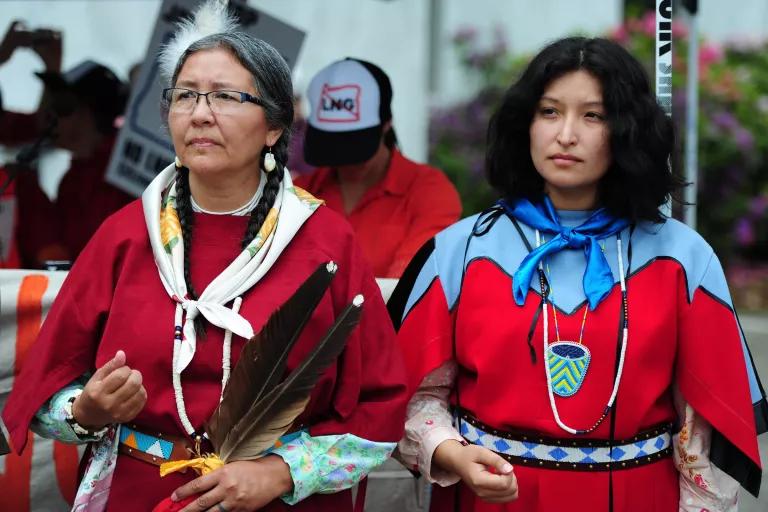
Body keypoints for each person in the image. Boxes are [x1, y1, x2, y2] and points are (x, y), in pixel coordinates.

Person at [2, 3, 407, 512]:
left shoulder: (322, 241)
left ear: (274, 128)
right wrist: (86, 409)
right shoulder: (127, 235)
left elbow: (379, 408)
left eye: (225, 97)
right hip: (137, 493)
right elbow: (45, 390)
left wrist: (280, 473)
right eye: (185, 95)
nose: (199, 113)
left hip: (271, 501)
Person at [389, 37, 767, 512]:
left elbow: (703, 435)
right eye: (549, 111)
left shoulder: (684, 258)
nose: (566, 134)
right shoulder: (459, 251)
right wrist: (453, 455)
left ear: (627, 129)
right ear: (524, 123)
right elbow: (410, 397)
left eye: (594, 116)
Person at [294, 58, 462, 278]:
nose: (344, 159)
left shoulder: (429, 191)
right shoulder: (298, 193)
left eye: (353, 142)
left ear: (386, 123)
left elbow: (409, 287)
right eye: (331, 143)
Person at [0, 21, 133, 268]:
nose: (51, 116)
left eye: (62, 108)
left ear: (92, 113)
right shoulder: (73, 179)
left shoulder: (125, 172)